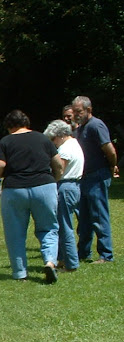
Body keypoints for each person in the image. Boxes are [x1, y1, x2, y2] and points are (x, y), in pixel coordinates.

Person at [0, 110, 63, 283]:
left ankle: (20, 273)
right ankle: (49, 261)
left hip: (15, 189)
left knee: (15, 233)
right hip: (44, 186)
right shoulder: (42, 138)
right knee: (48, 228)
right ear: (27, 122)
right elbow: (58, 164)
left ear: (9, 126)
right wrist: (53, 181)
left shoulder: (6, 141)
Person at [71, 95, 117, 263]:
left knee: (99, 216)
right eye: (74, 111)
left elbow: (110, 149)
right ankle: (83, 253)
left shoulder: (96, 125)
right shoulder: (80, 128)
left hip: (97, 175)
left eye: (79, 111)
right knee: (84, 219)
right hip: (83, 177)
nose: (76, 114)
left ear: (89, 110)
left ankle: (106, 255)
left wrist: (111, 167)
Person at [44, 119, 84, 272]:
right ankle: (62, 259)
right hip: (73, 186)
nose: (53, 143)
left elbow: (59, 170)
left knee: (64, 226)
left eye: (53, 139)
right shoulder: (74, 143)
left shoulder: (65, 149)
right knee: (63, 224)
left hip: (65, 186)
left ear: (60, 135)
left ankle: (71, 263)